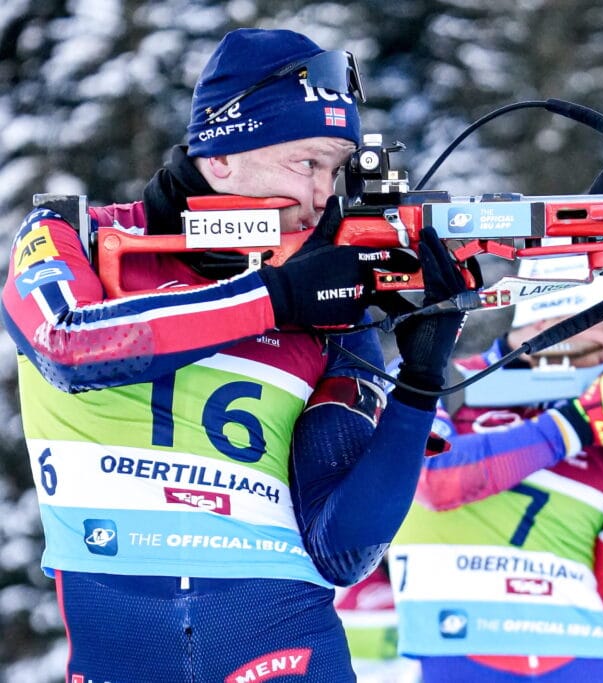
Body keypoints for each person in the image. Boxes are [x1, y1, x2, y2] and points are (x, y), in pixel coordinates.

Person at [1, 28, 465, 683]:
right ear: (222, 155)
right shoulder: (71, 235)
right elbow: (70, 344)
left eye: (335, 171)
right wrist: (275, 297)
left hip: (290, 651)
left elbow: (343, 547)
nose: (321, 196)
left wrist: (418, 384)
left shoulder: (327, 306)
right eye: (306, 163)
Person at [387, 254, 603, 682]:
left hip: (595, 663)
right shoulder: (438, 382)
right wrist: (572, 426)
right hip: (463, 656)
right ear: (547, 314)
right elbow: (427, 480)